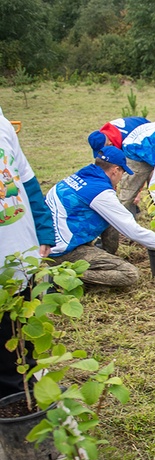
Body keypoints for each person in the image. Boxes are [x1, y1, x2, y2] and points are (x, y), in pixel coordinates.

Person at [43, 146, 155, 288]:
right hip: (63, 251)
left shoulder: (81, 176)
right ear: (115, 170)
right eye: (122, 172)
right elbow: (130, 228)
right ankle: (62, 274)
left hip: (51, 240)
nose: (121, 179)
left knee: (109, 218)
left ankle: (101, 257)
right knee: (129, 274)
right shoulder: (99, 192)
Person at [0, 106, 55, 398]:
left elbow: (28, 181)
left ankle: (28, 397)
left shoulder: (3, 124)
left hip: (22, 254)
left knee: (25, 338)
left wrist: (44, 229)